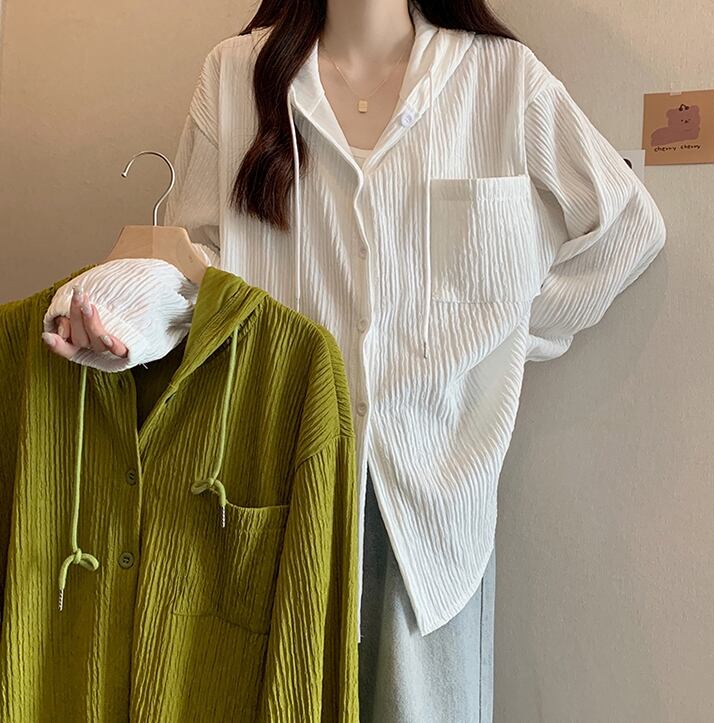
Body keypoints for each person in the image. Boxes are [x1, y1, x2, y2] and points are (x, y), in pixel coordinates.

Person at [41, 1, 666, 721]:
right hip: (273, 493)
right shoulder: (236, 76)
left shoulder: (501, 79)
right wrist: (118, 315)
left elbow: (627, 229)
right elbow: (195, 268)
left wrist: (500, 343)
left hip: (428, 515)